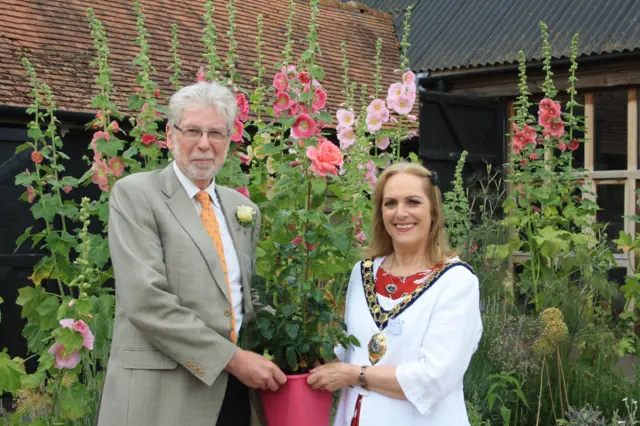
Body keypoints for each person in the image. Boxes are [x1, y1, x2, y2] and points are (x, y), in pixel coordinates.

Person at [96, 81, 286, 426]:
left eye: (216, 133)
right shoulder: (136, 195)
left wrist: (302, 341)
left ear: (229, 139)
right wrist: (233, 359)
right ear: (170, 135)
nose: (204, 144)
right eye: (193, 131)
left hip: (232, 391)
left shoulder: (242, 208)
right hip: (161, 394)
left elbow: (245, 295)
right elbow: (145, 300)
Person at [307, 162, 482, 426]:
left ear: (433, 211)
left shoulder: (456, 281)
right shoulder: (363, 272)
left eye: (413, 202)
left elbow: (434, 377)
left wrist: (354, 374)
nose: (400, 213)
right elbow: (352, 351)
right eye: (390, 203)